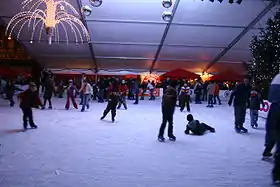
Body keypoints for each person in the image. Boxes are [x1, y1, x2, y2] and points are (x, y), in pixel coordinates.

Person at [263, 74, 280, 160]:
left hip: (274, 106)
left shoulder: (277, 78)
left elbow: (270, 97)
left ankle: (267, 149)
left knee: (271, 129)